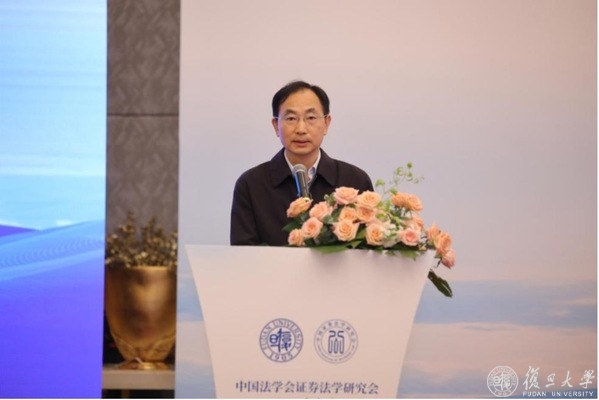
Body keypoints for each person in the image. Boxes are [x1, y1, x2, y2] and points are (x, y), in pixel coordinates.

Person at [230, 80, 374, 246]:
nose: (301, 129)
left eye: (311, 118)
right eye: (291, 118)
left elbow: (367, 251)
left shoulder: (355, 181)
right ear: (276, 125)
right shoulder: (251, 184)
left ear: (326, 123)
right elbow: (243, 253)